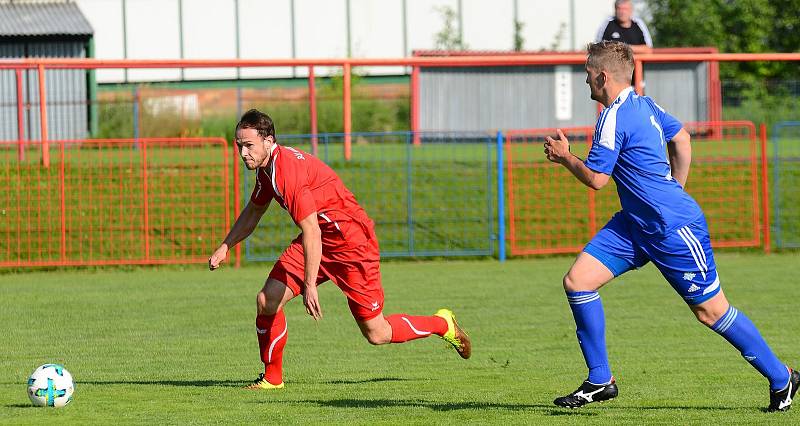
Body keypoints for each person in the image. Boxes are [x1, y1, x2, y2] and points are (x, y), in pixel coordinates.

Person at [543, 41, 797, 411]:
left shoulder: (613, 116)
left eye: (587, 76)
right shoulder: (645, 104)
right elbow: (681, 138)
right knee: (578, 282)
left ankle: (782, 378)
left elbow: (597, 180)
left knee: (711, 311)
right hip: (635, 224)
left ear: (601, 76)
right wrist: (676, 184)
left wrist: (565, 158)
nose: (586, 84)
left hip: (672, 228)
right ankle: (600, 380)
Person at [208, 109, 471, 390]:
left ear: (269, 141)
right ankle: (272, 378)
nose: (243, 153)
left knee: (376, 332)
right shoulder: (267, 169)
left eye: (248, 145)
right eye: (239, 146)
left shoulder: (288, 173)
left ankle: (442, 324)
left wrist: (310, 285)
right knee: (267, 300)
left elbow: (312, 230)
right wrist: (226, 246)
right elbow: (254, 211)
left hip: (352, 244)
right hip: (320, 242)